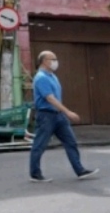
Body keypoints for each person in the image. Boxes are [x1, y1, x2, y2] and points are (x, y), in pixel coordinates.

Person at [29, 50, 98, 183]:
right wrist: (68, 112)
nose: (55, 62)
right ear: (44, 61)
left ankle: (80, 170)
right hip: (46, 116)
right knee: (40, 145)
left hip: (58, 116)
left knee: (70, 142)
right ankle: (35, 173)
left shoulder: (53, 76)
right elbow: (50, 98)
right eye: (52, 59)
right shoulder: (41, 78)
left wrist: (62, 112)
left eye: (55, 59)